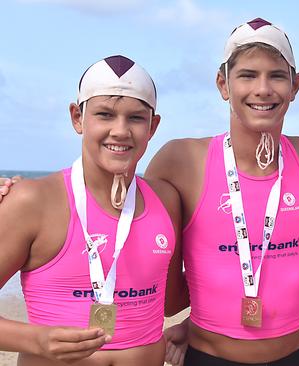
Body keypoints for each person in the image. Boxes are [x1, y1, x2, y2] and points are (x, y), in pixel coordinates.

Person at [149, 18, 299, 365]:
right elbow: (123, 218)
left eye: (276, 75)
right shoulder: (181, 160)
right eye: (247, 75)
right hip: (209, 357)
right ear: (222, 83)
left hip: (295, 356)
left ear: (295, 85)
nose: (263, 89)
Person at [0, 55, 182, 365]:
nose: (120, 131)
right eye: (105, 115)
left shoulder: (166, 200)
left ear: (153, 126)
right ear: (77, 117)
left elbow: (174, 299)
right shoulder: (33, 201)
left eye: (135, 118)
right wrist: (36, 339)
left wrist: (192, 327)